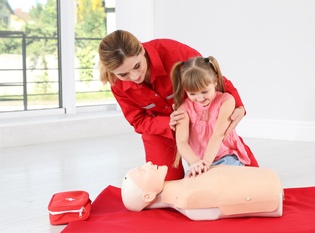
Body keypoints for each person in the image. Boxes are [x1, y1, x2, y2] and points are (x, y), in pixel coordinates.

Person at [98, 30, 258, 180]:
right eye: (123, 74)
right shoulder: (116, 84)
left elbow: (208, 78)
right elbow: (138, 120)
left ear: (141, 49)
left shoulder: (174, 52)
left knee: (253, 179)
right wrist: (170, 123)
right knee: (165, 184)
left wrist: (237, 105)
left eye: (137, 66)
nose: (135, 76)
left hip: (200, 119)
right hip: (160, 130)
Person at [171, 56, 254, 177]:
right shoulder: (184, 109)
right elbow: (182, 142)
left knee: (223, 184)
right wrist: (196, 163)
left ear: (215, 81)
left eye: (204, 91)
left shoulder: (226, 100)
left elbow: (218, 134)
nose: (200, 98)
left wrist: (206, 164)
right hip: (199, 163)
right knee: (191, 190)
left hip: (226, 157)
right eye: (192, 93)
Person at [121, 162, 283, 221]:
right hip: (272, 194)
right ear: (148, 195)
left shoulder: (187, 188)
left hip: (270, 184)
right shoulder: (188, 200)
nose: (147, 163)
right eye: (142, 171)